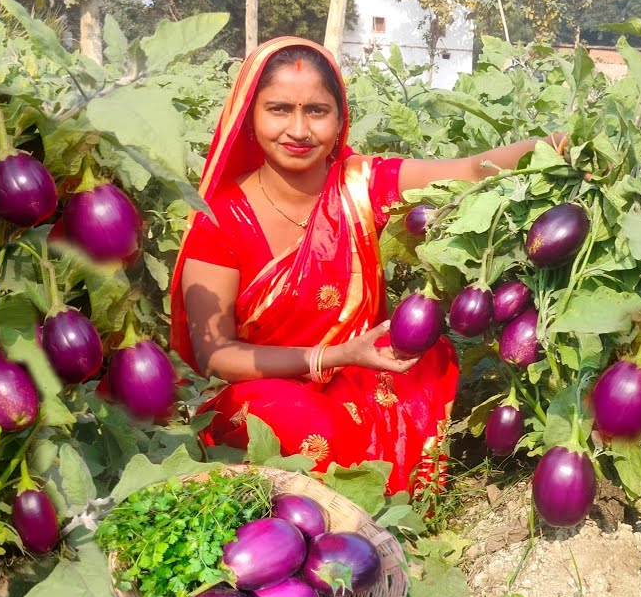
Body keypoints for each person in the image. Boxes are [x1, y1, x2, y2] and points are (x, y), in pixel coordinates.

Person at [169, 37, 565, 495]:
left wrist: (553, 147)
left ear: (339, 122)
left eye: (316, 111)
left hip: (360, 369)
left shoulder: (360, 185)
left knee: (428, 360)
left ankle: (385, 507)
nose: (298, 129)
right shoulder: (219, 217)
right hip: (265, 384)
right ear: (249, 120)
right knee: (295, 424)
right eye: (278, 109)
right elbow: (215, 353)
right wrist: (335, 356)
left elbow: (473, 171)